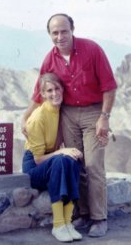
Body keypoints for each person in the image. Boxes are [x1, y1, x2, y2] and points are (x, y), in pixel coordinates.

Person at [21, 13, 117, 238]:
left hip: (93, 111)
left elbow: (109, 87)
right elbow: (39, 93)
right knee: (77, 163)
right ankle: (82, 214)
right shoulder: (49, 59)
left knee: (93, 165)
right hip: (68, 114)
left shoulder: (92, 50)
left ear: (72, 29)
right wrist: (25, 118)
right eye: (55, 33)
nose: (60, 36)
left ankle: (99, 218)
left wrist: (104, 117)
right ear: (49, 35)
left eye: (64, 31)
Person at [22, 72, 85, 242]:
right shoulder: (37, 118)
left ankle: (67, 223)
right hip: (34, 168)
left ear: (62, 89)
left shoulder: (62, 112)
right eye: (49, 91)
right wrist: (61, 151)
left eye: (57, 88)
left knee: (73, 159)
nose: (54, 93)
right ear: (42, 95)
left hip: (53, 162)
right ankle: (58, 225)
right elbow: (38, 159)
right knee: (61, 159)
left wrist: (65, 153)